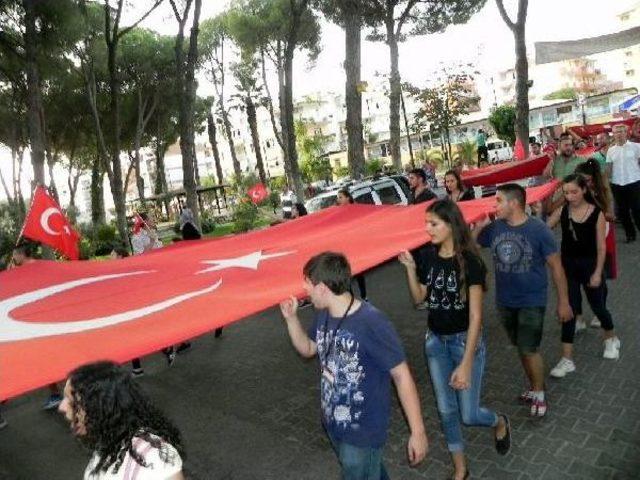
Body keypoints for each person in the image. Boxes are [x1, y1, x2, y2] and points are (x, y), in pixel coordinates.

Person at [279, 252, 428, 478]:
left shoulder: (372, 322)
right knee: (371, 472)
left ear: (323, 288)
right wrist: (291, 320)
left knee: (360, 471)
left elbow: (402, 376)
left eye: (307, 283)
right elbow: (309, 349)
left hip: (362, 433)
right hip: (333, 423)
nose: (304, 290)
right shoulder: (324, 314)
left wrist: (418, 432)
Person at [399, 200, 510, 480]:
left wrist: (466, 363)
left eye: (433, 223)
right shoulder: (428, 257)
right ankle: (461, 468)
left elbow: (475, 318)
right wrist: (411, 269)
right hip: (435, 342)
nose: (428, 229)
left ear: (451, 225)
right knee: (446, 411)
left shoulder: (470, 262)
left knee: (469, 415)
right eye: (426, 223)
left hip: (464, 343)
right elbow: (419, 299)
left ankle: (499, 421)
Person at [473, 184, 573, 417]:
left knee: (529, 348)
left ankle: (539, 392)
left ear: (514, 203)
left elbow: (557, 267)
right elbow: (471, 248)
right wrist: (478, 229)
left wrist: (564, 302)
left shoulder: (539, 230)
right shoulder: (495, 227)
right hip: (505, 301)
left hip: (532, 300)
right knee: (521, 347)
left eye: (498, 201)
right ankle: (534, 386)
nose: (494, 206)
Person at [545, 175, 620, 379]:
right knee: (568, 309)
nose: (569, 196)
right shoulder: (562, 210)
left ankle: (611, 338)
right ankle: (567, 359)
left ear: (584, 190)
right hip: (568, 267)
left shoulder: (597, 213)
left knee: (598, 307)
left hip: (590, 266)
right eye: (566, 192)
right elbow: (544, 230)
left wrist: (597, 273)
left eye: (574, 192)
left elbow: (601, 247)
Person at [58, 361, 184, 480]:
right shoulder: (109, 441)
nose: (62, 407)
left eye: (72, 402)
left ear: (103, 408)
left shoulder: (154, 458)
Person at [10, 242, 63, 410]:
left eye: (14, 255)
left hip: (35, 322)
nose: (13, 257)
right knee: (58, 355)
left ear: (20, 254)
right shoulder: (41, 265)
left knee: (46, 359)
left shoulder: (21, 271)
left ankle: (56, 394)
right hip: (52, 316)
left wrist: (11, 275)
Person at [574, 160, 616, 330]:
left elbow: (610, 215)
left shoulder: (601, 193)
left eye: (589, 180)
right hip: (578, 243)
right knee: (574, 282)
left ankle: (601, 311)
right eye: (582, 179)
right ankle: (578, 317)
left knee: (600, 278)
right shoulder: (574, 192)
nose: (586, 183)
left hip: (601, 240)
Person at [606, 123, 640, 243]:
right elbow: (609, 168)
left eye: (621, 131)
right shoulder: (610, 151)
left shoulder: (636, 147)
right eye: (616, 132)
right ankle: (630, 234)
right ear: (613, 134)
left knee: (637, 210)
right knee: (623, 212)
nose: (619, 134)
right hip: (617, 184)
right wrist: (608, 184)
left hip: (634, 182)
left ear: (627, 133)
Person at [336, 189, 368, 301]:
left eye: (340, 197)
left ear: (347, 198)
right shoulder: (338, 212)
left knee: (359, 271)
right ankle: (351, 298)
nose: (338, 199)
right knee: (346, 272)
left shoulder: (356, 209)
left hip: (355, 245)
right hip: (345, 246)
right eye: (338, 197)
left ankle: (364, 296)